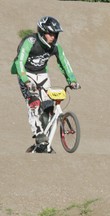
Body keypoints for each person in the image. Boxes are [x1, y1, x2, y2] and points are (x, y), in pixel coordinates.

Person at [11, 16, 80, 153]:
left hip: (42, 75)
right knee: (34, 102)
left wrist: (72, 80)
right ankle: (38, 134)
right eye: (50, 33)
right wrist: (26, 80)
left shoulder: (55, 47)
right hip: (26, 74)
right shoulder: (30, 41)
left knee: (48, 107)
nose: (53, 37)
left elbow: (64, 62)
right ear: (42, 32)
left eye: (55, 34)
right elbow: (19, 62)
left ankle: (45, 143)